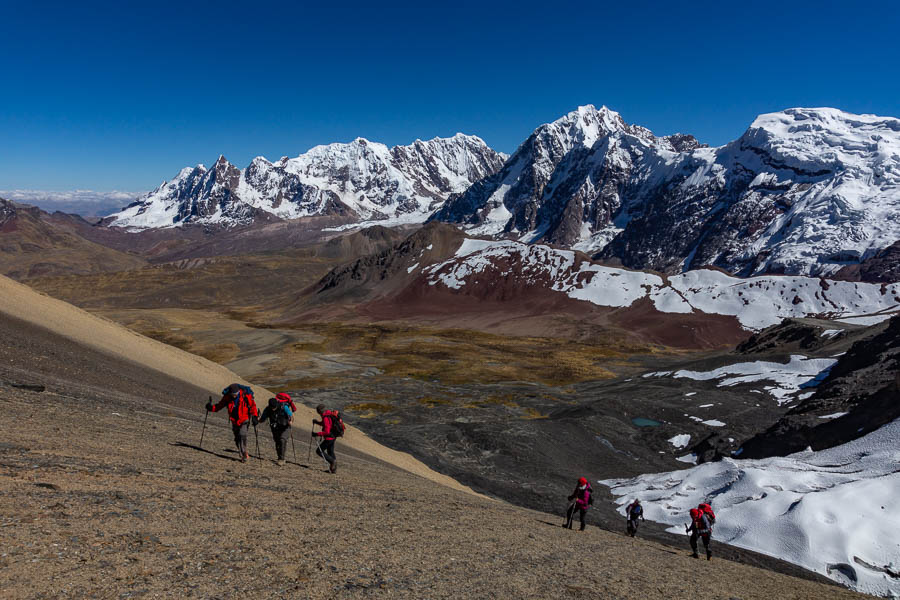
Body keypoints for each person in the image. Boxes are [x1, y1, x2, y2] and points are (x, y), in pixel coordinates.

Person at [207, 383, 258, 462]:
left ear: (239, 392)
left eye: (236, 394)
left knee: (242, 434)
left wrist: (255, 416)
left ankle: (244, 454)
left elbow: (253, 406)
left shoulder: (245, 395)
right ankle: (242, 452)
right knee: (237, 438)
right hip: (234, 420)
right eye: (233, 394)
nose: (234, 396)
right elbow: (219, 406)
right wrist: (211, 408)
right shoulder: (227, 397)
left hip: (245, 419)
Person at [258, 397, 293, 465]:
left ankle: (281, 459)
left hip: (285, 427)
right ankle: (279, 457)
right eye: (272, 407)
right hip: (275, 428)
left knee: (282, 440)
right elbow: (262, 419)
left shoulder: (284, 407)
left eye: (274, 407)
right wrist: (258, 420)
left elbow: (291, 415)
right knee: (277, 442)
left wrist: (291, 421)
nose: (273, 408)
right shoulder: (267, 409)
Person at [312, 404, 339, 473]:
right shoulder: (328, 414)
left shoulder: (325, 417)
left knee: (319, 451)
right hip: (333, 436)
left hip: (329, 438)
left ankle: (332, 462)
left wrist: (316, 434)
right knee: (330, 451)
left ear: (319, 411)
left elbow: (326, 431)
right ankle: (333, 469)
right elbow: (326, 424)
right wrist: (317, 422)